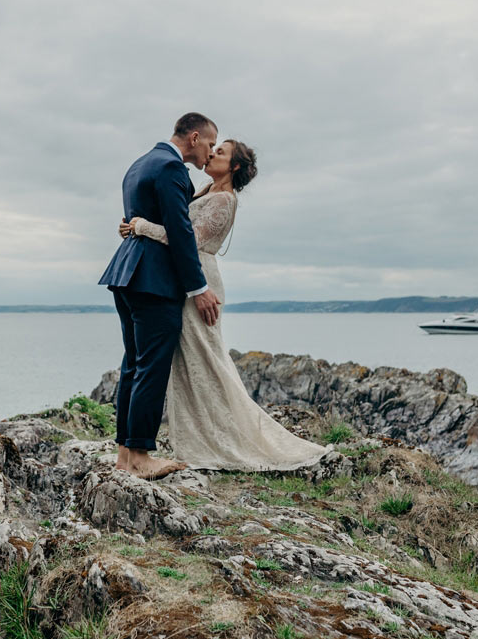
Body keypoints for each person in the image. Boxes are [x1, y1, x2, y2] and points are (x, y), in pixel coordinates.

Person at [119, 139, 329, 472]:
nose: (212, 153)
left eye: (221, 152)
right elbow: (174, 221)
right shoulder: (202, 189)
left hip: (200, 281)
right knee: (187, 360)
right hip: (179, 278)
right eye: (213, 148)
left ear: (233, 167)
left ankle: (229, 436)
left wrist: (142, 227)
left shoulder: (223, 200)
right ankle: (194, 434)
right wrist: (136, 227)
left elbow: (191, 239)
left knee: (208, 358)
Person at [98, 113, 223, 480]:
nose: (210, 152)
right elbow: (180, 232)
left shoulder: (139, 164)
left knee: (134, 363)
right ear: (195, 137)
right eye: (211, 144)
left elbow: (139, 220)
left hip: (126, 273)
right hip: (153, 280)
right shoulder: (171, 169)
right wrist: (198, 289)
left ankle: (124, 454)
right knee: (152, 365)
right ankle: (139, 456)